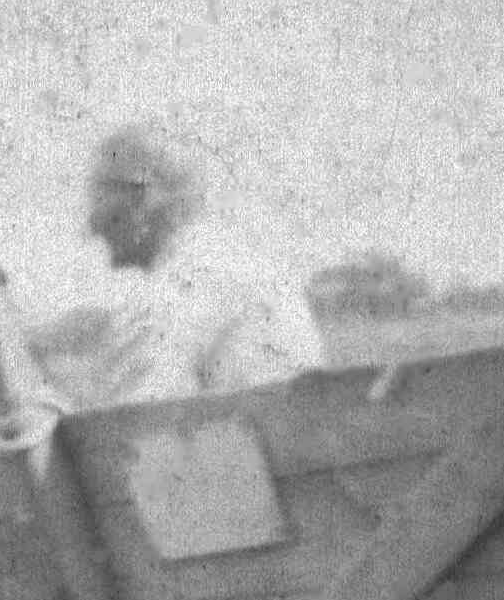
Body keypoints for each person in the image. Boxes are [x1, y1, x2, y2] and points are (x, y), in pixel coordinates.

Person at [33, 123, 326, 406]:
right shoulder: (220, 259)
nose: (93, 225)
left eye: (99, 195)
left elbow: (137, 424)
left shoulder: (181, 291)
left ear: (142, 197)